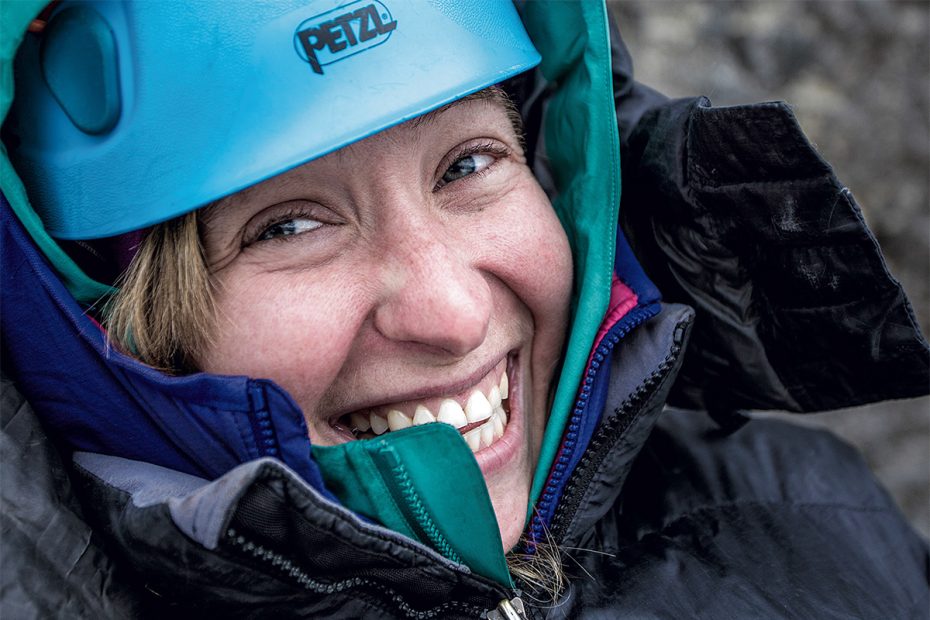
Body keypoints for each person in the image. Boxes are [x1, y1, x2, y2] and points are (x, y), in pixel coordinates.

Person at [1, 1, 927, 618]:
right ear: (112, 331)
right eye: (288, 227)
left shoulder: (810, 516)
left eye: (470, 164)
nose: (450, 313)